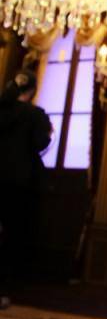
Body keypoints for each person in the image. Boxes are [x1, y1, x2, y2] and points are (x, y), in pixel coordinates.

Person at [0, 69, 52, 304]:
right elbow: (40, 143)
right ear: (32, 91)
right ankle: (4, 290)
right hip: (19, 182)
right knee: (13, 235)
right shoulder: (34, 115)